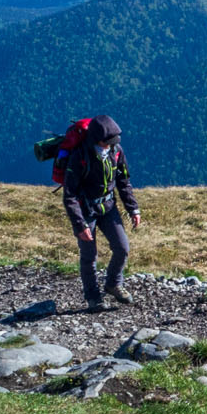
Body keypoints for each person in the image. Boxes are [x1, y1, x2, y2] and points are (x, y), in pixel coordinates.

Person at [61, 114, 142, 311]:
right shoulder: (80, 156)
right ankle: (92, 297)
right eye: (109, 142)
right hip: (86, 210)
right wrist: (80, 224)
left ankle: (113, 284)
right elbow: (69, 195)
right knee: (89, 255)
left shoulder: (116, 151)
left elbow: (123, 182)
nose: (112, 145)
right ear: (97, 139)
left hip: (108, 207)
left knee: (122, 248)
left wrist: (133, 208)